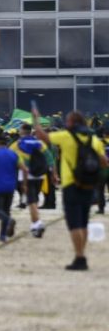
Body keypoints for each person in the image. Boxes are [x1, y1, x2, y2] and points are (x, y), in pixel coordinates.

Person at [33, 110, 107, 270]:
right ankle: (81, 254)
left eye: (67, 121)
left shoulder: (66, 136)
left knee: (74, 224)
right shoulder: (94, 139)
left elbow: (42, 137)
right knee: (84, 222)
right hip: (88, 185)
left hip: (71, 186)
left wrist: (36, 119)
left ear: (71, 123)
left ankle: (80, 258)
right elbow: (104, 162)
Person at [9, 123, 53, 237]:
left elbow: (10, 157)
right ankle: (35, 222)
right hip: (39, 174)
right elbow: (50, 158)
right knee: (34, 199)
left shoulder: (17, 144)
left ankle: (37, 224)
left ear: (22, 132)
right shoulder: (40, 143)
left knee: (31, 201)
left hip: (25, 175)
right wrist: (54, 174)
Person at [0, 134, 26, 242]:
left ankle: (9, 221)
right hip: (11, 187)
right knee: (6, 210)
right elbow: (24, 169)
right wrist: (24, 184)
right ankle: (3, 235)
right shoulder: (14, 154)